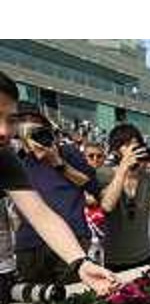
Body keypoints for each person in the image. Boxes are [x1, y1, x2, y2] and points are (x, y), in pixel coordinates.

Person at [0, 70, 117, 301]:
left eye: (10, 120)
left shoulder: (7, 159)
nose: (3, 131)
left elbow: (40, 213)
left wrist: (81, 263)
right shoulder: (19, 155)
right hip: (28, 247)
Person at [14, 106, 102, 284]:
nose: (30, 126)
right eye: (23, 121)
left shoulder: (67, 151)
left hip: (72, 237)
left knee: (73, 297)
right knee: (36, 302)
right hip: (30, 243)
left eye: (35, 121)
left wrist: (57, 162)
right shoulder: (16, 160)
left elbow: (90, 184)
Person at [97, 124, 150, 271]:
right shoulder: (104, 173)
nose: (134, 150)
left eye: (137, 146)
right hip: (115, 259)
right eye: (127, 145)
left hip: (145, 254)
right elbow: (107, 206)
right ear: (116, 151)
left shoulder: (148, 178)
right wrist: (123, 168)